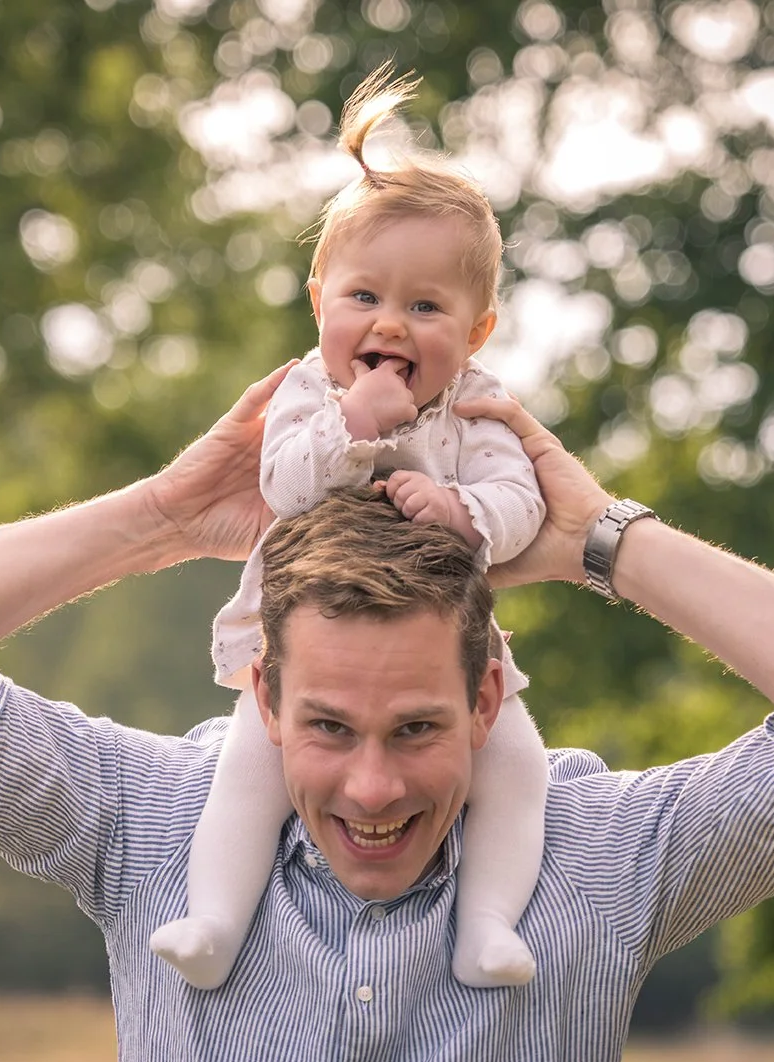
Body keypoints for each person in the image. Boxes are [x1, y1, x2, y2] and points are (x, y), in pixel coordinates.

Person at [0, 363, 774, 1062]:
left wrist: (603, 541)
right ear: (263, 691)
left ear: (489, 695)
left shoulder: (602, 859)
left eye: (416, 730)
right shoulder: (146, 820)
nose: (373, 790)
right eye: (330, 729)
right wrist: (159, 520)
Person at [149, 67, 548, 992]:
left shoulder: (480, 411)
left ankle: (487, 925)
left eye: (426, 307)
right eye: (365, 298)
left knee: (519, 765)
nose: (391, 326)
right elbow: (286, 486)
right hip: (297, 645)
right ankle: (213, 920)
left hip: (444, 649)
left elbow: (521, 500)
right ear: (320, 300)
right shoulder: (306, 396)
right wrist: (355, 426)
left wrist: (467, 515)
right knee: (251, 767)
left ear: (477, 329)